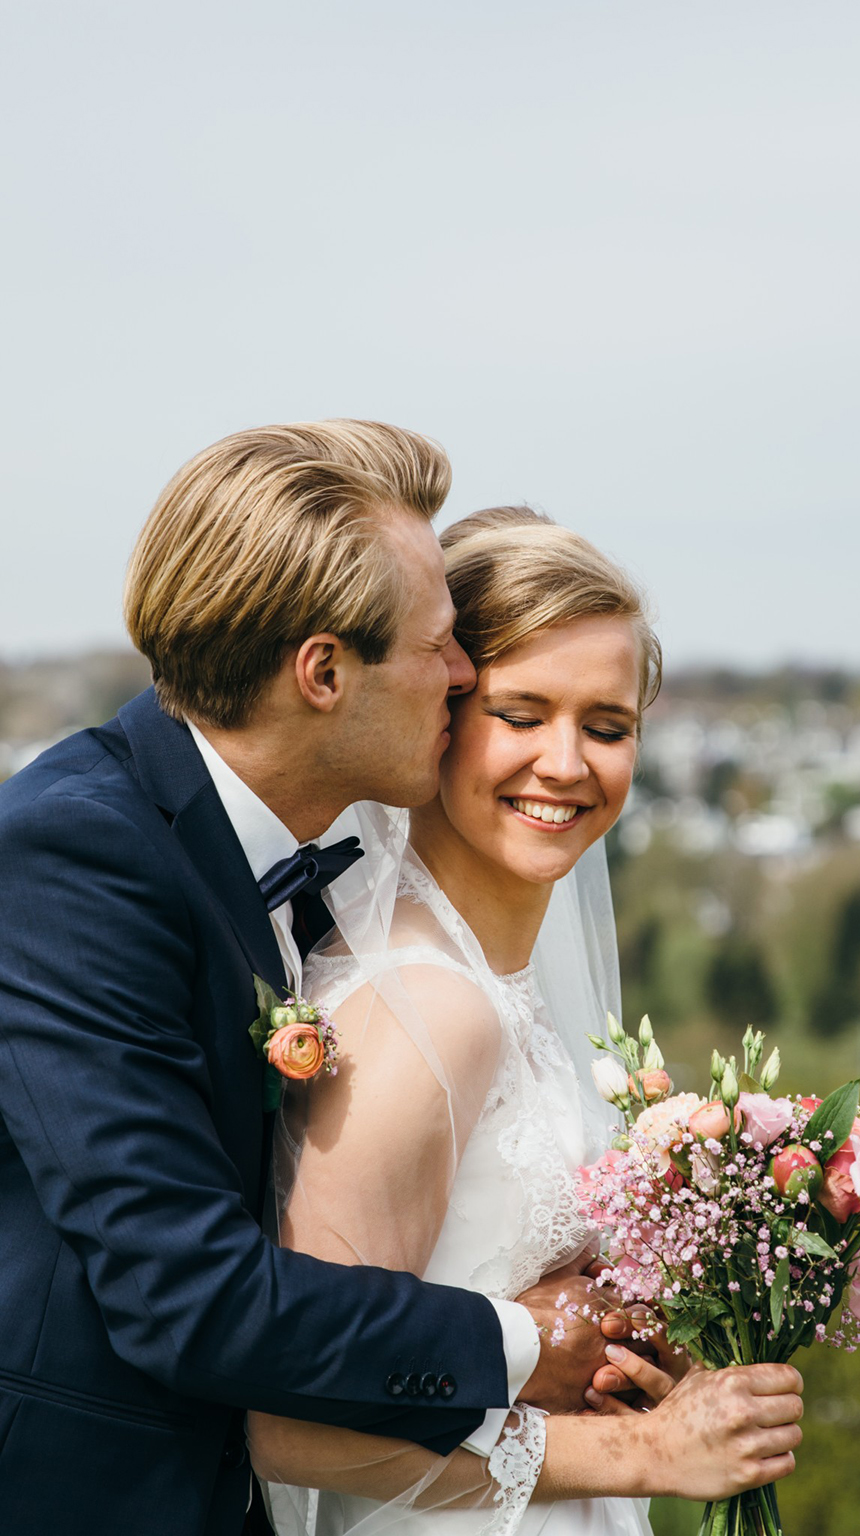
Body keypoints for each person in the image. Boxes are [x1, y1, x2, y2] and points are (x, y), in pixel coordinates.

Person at [0, 424, 634, 1536]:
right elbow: (184, 1296)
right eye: (441, 648)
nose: (459, 674)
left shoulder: (292, 862)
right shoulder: (77, 858)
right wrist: (529, 1342)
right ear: (325, 671)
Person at [248, 509, 804, 1534]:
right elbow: (290, 1414)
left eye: (606, 727)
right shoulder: (428, 1010)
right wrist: (642, 1452)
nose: (566, 764)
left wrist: (648, 1365)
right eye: (521, 713)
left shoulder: (501, 985)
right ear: (440, 712)